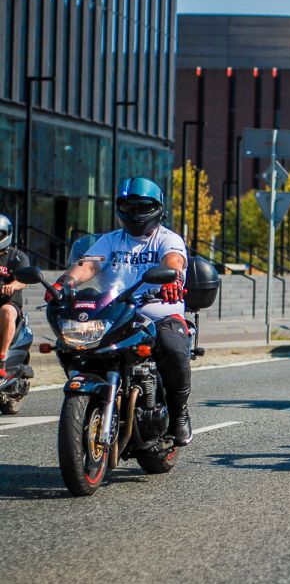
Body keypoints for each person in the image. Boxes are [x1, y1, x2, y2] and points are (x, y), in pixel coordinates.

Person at [46, 178, 194, 445]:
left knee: (173, 347)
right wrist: (65, 282)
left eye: (141, 205)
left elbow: (173, 261)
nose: (135, 211)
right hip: (119, 311)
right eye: (128, 205)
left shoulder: (168, 239)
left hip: (160, 311)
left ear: (157, 208)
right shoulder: (111, 240)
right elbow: (89, 265)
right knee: (76, 346)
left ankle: (179, 413)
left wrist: (172, 280)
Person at [0, 215, 29, 378]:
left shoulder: (17, 257)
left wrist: (11, 286)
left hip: (9, 303)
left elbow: (23, 280)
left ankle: (2, 358)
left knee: (7, 311)